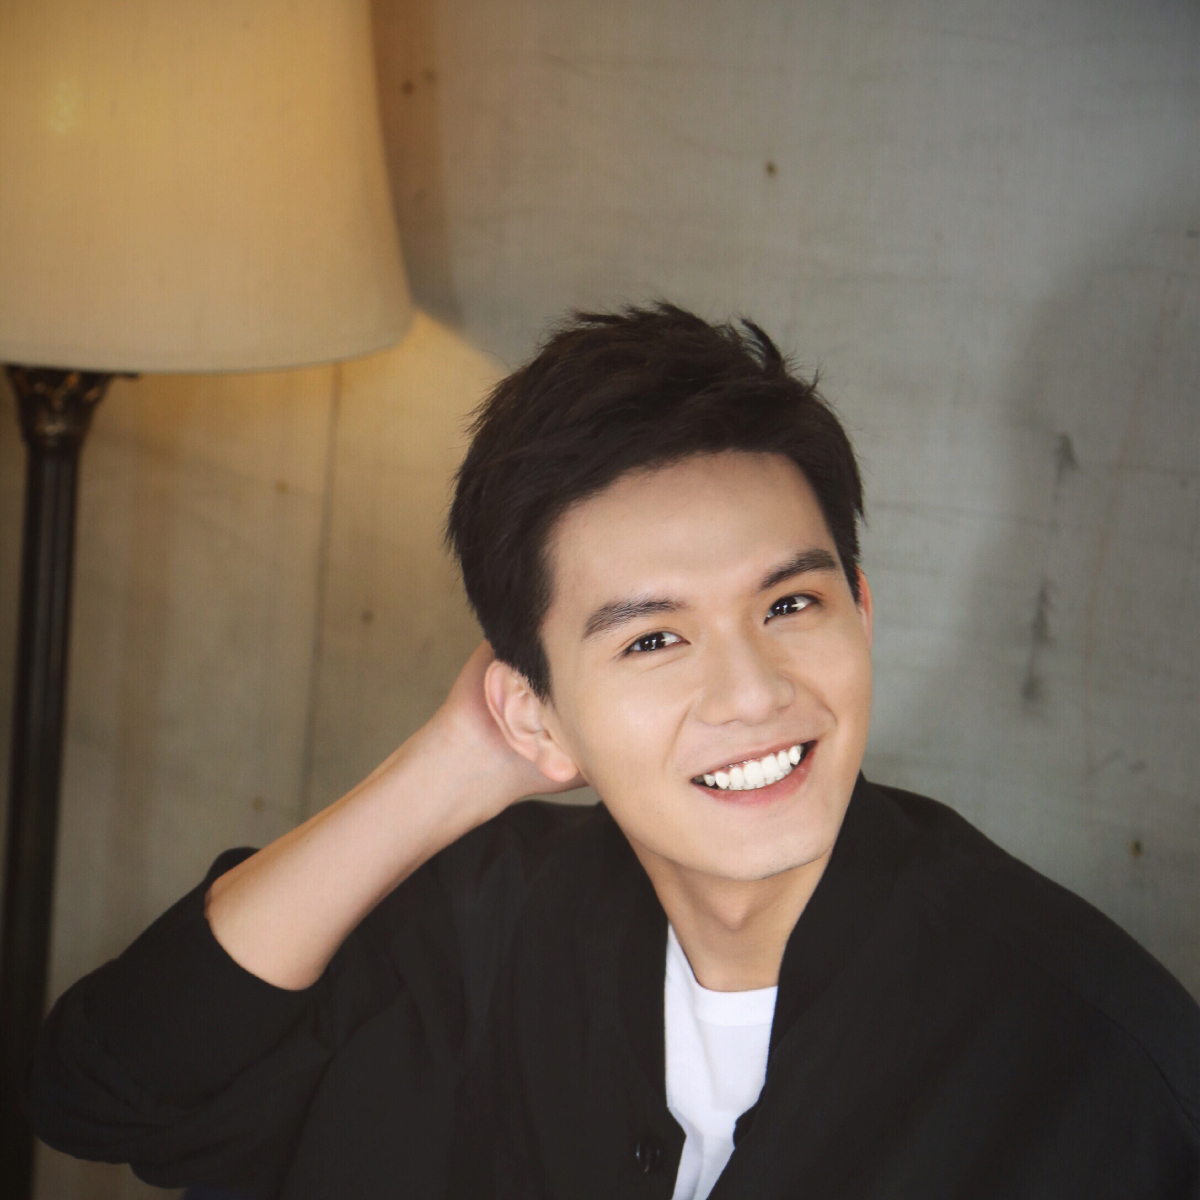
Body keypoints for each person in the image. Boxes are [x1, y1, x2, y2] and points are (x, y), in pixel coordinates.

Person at [26, 304, 1200, 1199]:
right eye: (653, 639)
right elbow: (105, 1093)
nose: (753, 693)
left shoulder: (1102, 1067)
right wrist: (454, 762)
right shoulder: (476, 928)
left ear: (862, 611)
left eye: (791, 605)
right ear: (536, 711)